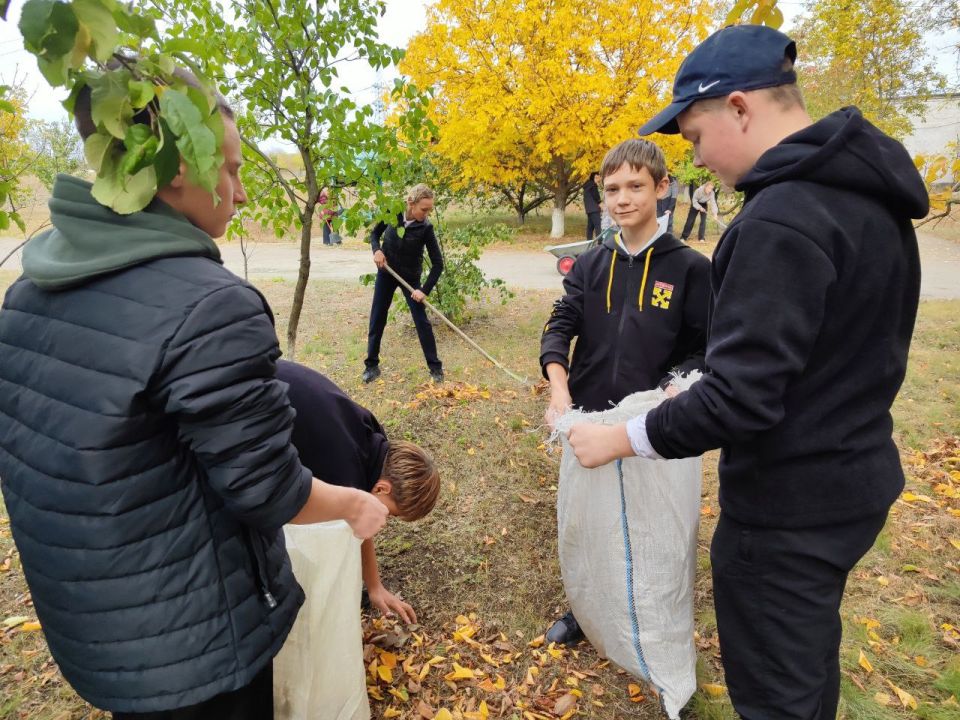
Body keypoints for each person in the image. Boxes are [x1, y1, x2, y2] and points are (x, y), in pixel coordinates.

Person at [0, 70, 388, 720]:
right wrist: (353, 504)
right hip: (200, 646)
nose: (240, 192)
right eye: (230, 169)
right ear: (178, 167)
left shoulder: (28, 293)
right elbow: (267, 488)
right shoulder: (210, 306)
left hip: (100, 630)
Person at [567, 25, 928, 720]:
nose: (698, 157)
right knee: (805, 664)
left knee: (775, 692)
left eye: (697, 137)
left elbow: (739, 397)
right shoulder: (865, 195)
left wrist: (619, 438)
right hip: (851, 476)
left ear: (738, 108)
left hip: (788, 508)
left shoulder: (782, 220)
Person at [540, 138, 710, 646]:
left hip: (654, 424)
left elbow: (706, 348)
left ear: (662, 188)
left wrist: (672, 388)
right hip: (590, 420)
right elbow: (559, 326)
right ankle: (587, 610)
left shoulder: (691, 268)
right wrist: (559, 388)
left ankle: (650, 617)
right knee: (591, 522)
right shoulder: (592, 263)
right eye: (612, 189)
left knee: (650, 525)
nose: (622, 199)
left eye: (635, 186)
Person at [276, 360, 440, 623]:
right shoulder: (341, 469)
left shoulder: (374, 442)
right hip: (236, 402)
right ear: (382, 487)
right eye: (391, 513)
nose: (385, 520)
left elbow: (360, 515)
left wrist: (374, 586)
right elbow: (327, 518)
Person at [364, 184, 445, 384]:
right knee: (377, 317)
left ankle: (435, 368)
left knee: (422, 322)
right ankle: (371, 366)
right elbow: (374, 235)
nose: (426, 214)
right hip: (387, 272)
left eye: (429, 210)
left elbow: (438, 264)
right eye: (424, 209)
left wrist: (423, 290)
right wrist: (377, 250)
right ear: (410, 203)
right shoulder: (392, 212)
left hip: (410, 278)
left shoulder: (426, 228)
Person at [582, 171, 602, 240]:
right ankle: (600, 242)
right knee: (598, 226)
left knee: (590, 227)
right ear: (595, 177)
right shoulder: (593, 185)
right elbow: (596, 197)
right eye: (599, 177)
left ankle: (588, 242)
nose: (600, 179)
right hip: (594, 209)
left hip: (589, 209)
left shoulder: (587, 185)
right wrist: (601, 204)